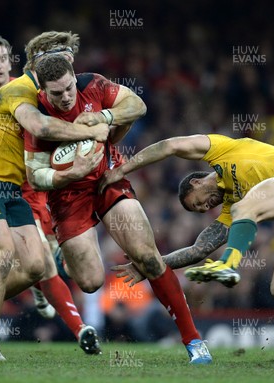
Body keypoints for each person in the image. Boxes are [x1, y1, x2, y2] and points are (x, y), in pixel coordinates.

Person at [101, 133, 274, 345]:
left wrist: (125, 168)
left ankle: (228, 264)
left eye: (197, 203)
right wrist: (150, 266)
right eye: (198, 210)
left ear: (197, 182)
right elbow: (199, 250)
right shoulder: (230, 210)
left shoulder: (222, 151)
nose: (203, 208)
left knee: (244, 206)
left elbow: (170, 146)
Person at [24, 55, 212, 364]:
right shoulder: (38, 117)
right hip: (67, 197)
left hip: (107, 178)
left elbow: (137, 106)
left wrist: (103, 118)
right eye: (57, 93)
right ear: (43, 90)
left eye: (69, 88)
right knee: (90, 281)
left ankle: (194, 342)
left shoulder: (91, 85)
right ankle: (65, 255)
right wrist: (71, 173)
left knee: (148, 257)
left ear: (74, 77)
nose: (66, 96)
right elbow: (35, 176)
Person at [0, 33, 109, 360]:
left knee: (36, 266)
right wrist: (91, 130)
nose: (67, 63)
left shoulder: (50, 96)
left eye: (68, 57)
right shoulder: (18, 89)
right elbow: (40, 128)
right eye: (58, 55)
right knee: (3, 254)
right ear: (37, 60)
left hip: (12, 190)